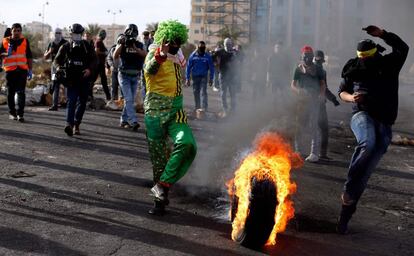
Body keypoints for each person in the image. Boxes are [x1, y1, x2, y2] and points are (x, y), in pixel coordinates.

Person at [337, 25, 409, 234]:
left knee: (365, 174)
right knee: (367, 143)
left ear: (376, 54)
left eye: (368, 58)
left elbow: (403, 48)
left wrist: (383, 34)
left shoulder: (389, 64)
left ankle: (345, 214)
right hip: (362, 115)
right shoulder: (354, 67)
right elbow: (342, 91)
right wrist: (352, 97)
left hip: (385, 121)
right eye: (362, 59)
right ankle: (348, 190)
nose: (365, 63)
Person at [143, 20, 197, 215]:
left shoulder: (178, 58)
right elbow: (149, 70)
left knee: (188, 144)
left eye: (177, 41)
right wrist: (160, 55)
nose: (174, 44)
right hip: (155, 114)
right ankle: (159, 201)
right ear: (162, 40)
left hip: (176, 112)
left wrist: (171, 54)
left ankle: (163, 185)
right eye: (170, 41)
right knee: (159, 159)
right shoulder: (154, 53)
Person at [54, 23, 96, 136]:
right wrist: (58, 68)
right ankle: (69, 124)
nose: (76, 36)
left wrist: (89, 69)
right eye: (74, 34)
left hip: (84, 79)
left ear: (81, 34)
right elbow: (56, 60)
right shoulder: (66, 47)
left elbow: (94, 60)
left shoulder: (87, 46)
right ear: (71, 34)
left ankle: (77, 124)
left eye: (78, 34)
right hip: (71, 80)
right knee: (71, 101)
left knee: (82, 103)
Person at [291, 45, 326, 162]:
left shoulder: (318, 69)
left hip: (314, 101)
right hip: (301, 102)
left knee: (314, 126)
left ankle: (314, 153)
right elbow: (293, 85)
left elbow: (322, 84)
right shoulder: (298, 69)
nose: (307, 58)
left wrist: (321, 95)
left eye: (309, 56)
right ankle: (298, 151)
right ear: (302, 56)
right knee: (299, 126)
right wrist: (299, 91)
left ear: (312, 57)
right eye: (305, 56)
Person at [113, 24, 146, 130]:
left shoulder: (139, 45)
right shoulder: (122, 44)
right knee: (129, 99)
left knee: (129, 100)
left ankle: (123, 120)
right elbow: (115, 56)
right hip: (124, 75)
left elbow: (146, 55)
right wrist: (122, 44)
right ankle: (133, 121)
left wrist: (135, 48)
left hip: (135, 76)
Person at [0, 23, 33, 122]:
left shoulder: (25, 41)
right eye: (15, 31)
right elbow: (0, 54)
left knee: (21, 92)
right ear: (11, 31)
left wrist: (30, 70)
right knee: (11, 93)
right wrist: (6, 53)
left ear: (21, 31)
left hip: (22, 70)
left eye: (19, 31)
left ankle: (20, 114)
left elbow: (29, 56)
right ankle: (12, 113)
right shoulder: (5, 41)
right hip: (10, 71)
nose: (17, 33)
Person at [313, 50, 340, 160]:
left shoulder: (306, 70)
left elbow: (325, 88)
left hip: (310, 103)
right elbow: (324, 89)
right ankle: (322, 154)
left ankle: (298, 152)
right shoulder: (321, 71)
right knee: (323, 128)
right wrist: (333, 99)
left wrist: (333, 99)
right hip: (317, 104)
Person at [185, 41, 214, 111]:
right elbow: (188, 67)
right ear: (198, 47)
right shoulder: (193, 56)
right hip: (195, 77)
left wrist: (211, 79)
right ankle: (197, 107)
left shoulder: (207, 56)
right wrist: (187, 78)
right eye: (200, 47)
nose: (202, 49)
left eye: (203, 47)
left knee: (203, 91)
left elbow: (211, 68)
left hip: (204, 76)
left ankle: (204, 108)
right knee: (196, 92)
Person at [44, 28, 68, 111]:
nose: (57, 34)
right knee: (55, 85)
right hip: (54, 68)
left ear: (61, 34)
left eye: (59, 33)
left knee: (66, 85)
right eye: (56, 33)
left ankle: (67, 103)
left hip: (64, 68)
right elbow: (45, 56)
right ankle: (55, 105)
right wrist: (50, 52)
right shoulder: (51, 43)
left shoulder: (65, 43)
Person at [217, 37, 237, 117]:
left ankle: (233, 109)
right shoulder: (220, 51)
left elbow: (241, 61)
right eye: (226, 44)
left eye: (229, 44)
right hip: (223, 75)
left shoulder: (234, 52)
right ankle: (225, 109)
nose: (228, 45)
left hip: (232, 76)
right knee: (223, 93)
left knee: (233, 94)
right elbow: (212, 58)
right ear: (224, 44)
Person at [94, 29, 111, 101]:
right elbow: (96, 51)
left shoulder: (100, 42)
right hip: (99, 64)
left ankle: (108, 96)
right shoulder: (98, 42)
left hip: (100, 64)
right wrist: (104, 53)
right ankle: (108, 96)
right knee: (102, 80)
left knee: (100, 80)